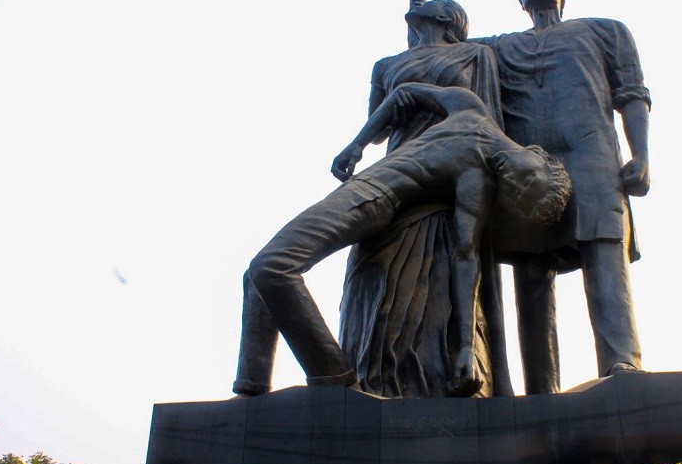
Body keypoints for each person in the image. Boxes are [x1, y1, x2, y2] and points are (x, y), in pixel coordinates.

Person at [410, 0, 652, 393]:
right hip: (526, 165)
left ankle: (622, 364)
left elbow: (631, 94)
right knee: (531, 270)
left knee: (603, 247)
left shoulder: (604, 30)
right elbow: (431, 49)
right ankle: (542, 391)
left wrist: (641, 155)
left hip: (591, 154)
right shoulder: (498, 47)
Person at [232, 83, 571, 398]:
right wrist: (358, 144)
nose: (513, 180)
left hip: (375, 201)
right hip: (359, 188)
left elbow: (465, 255)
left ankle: (336, 382)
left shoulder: (477, 180)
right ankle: (252, 392)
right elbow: (403, 93)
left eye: (518, 191)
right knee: (259, 276)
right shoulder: (470, 108)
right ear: (536, 152)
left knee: (272, 267)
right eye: (527, 177)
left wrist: (466, 346)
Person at [336, 0, 512, 398]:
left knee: (442, 273)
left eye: (436, 0)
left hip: (450, 178)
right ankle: (371, 387)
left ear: (449, 18)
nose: (427, 2)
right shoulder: (387, 65)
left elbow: (488, 122)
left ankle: (450, 372)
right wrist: (358, 146)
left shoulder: (476, 55)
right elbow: (379, 124)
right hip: (397, 171)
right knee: (373, 275)